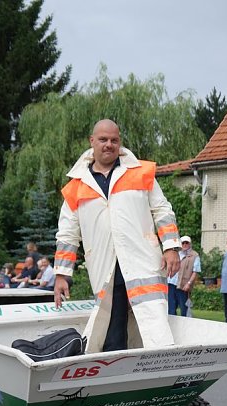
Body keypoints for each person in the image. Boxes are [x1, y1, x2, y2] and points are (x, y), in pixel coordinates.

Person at [53, 119, 181, 352]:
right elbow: (67, 235)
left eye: (114, 140)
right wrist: (62, 274)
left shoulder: (141, 172)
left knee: (153, 328)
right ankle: (115, 380)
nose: (109, 144)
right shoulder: (76, 186)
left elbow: (162, 210)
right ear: (92, 141)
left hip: (142, 263)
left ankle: (157, 377)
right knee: (112, 333)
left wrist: (171, 246)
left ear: (119, 142)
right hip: (106, 269)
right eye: (103, 139)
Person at [167, 235, 200, 317]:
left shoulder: (195, 255)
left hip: (183, 285)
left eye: (187, 243)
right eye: (183, 243)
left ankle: (185, 327)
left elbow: (195, 272)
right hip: (171, 283)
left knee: (184, 308)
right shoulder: (175, 253)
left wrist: (189, 283)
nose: (185, 244)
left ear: (190, 244)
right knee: (171, 308)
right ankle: (172, 325)